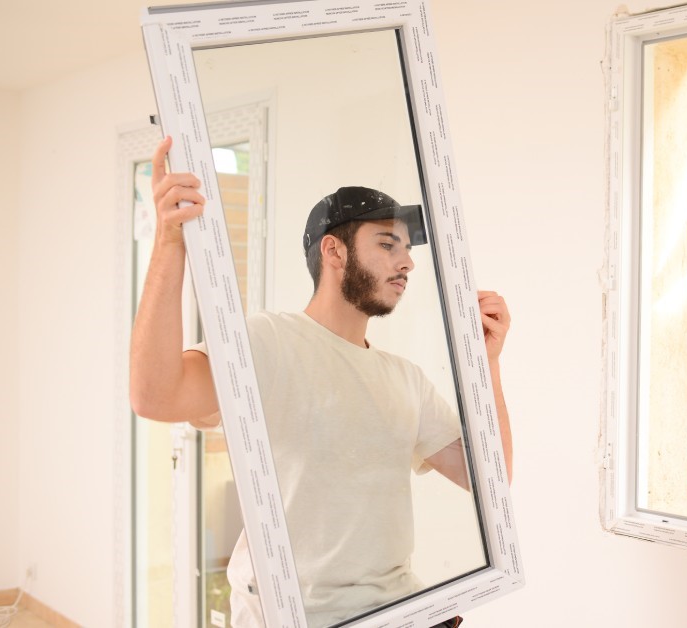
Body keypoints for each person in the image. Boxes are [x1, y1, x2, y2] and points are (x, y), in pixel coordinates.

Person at [129, 137, 511, 628]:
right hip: (294, 616)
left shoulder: (405, 379)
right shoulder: (267, 341)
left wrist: (489, 365)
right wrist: (169, 243)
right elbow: (155, 395)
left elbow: (492, 478)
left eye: (408, 250)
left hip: (400, 612)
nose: (407, 262)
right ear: (334, 250)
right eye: (387, 243)